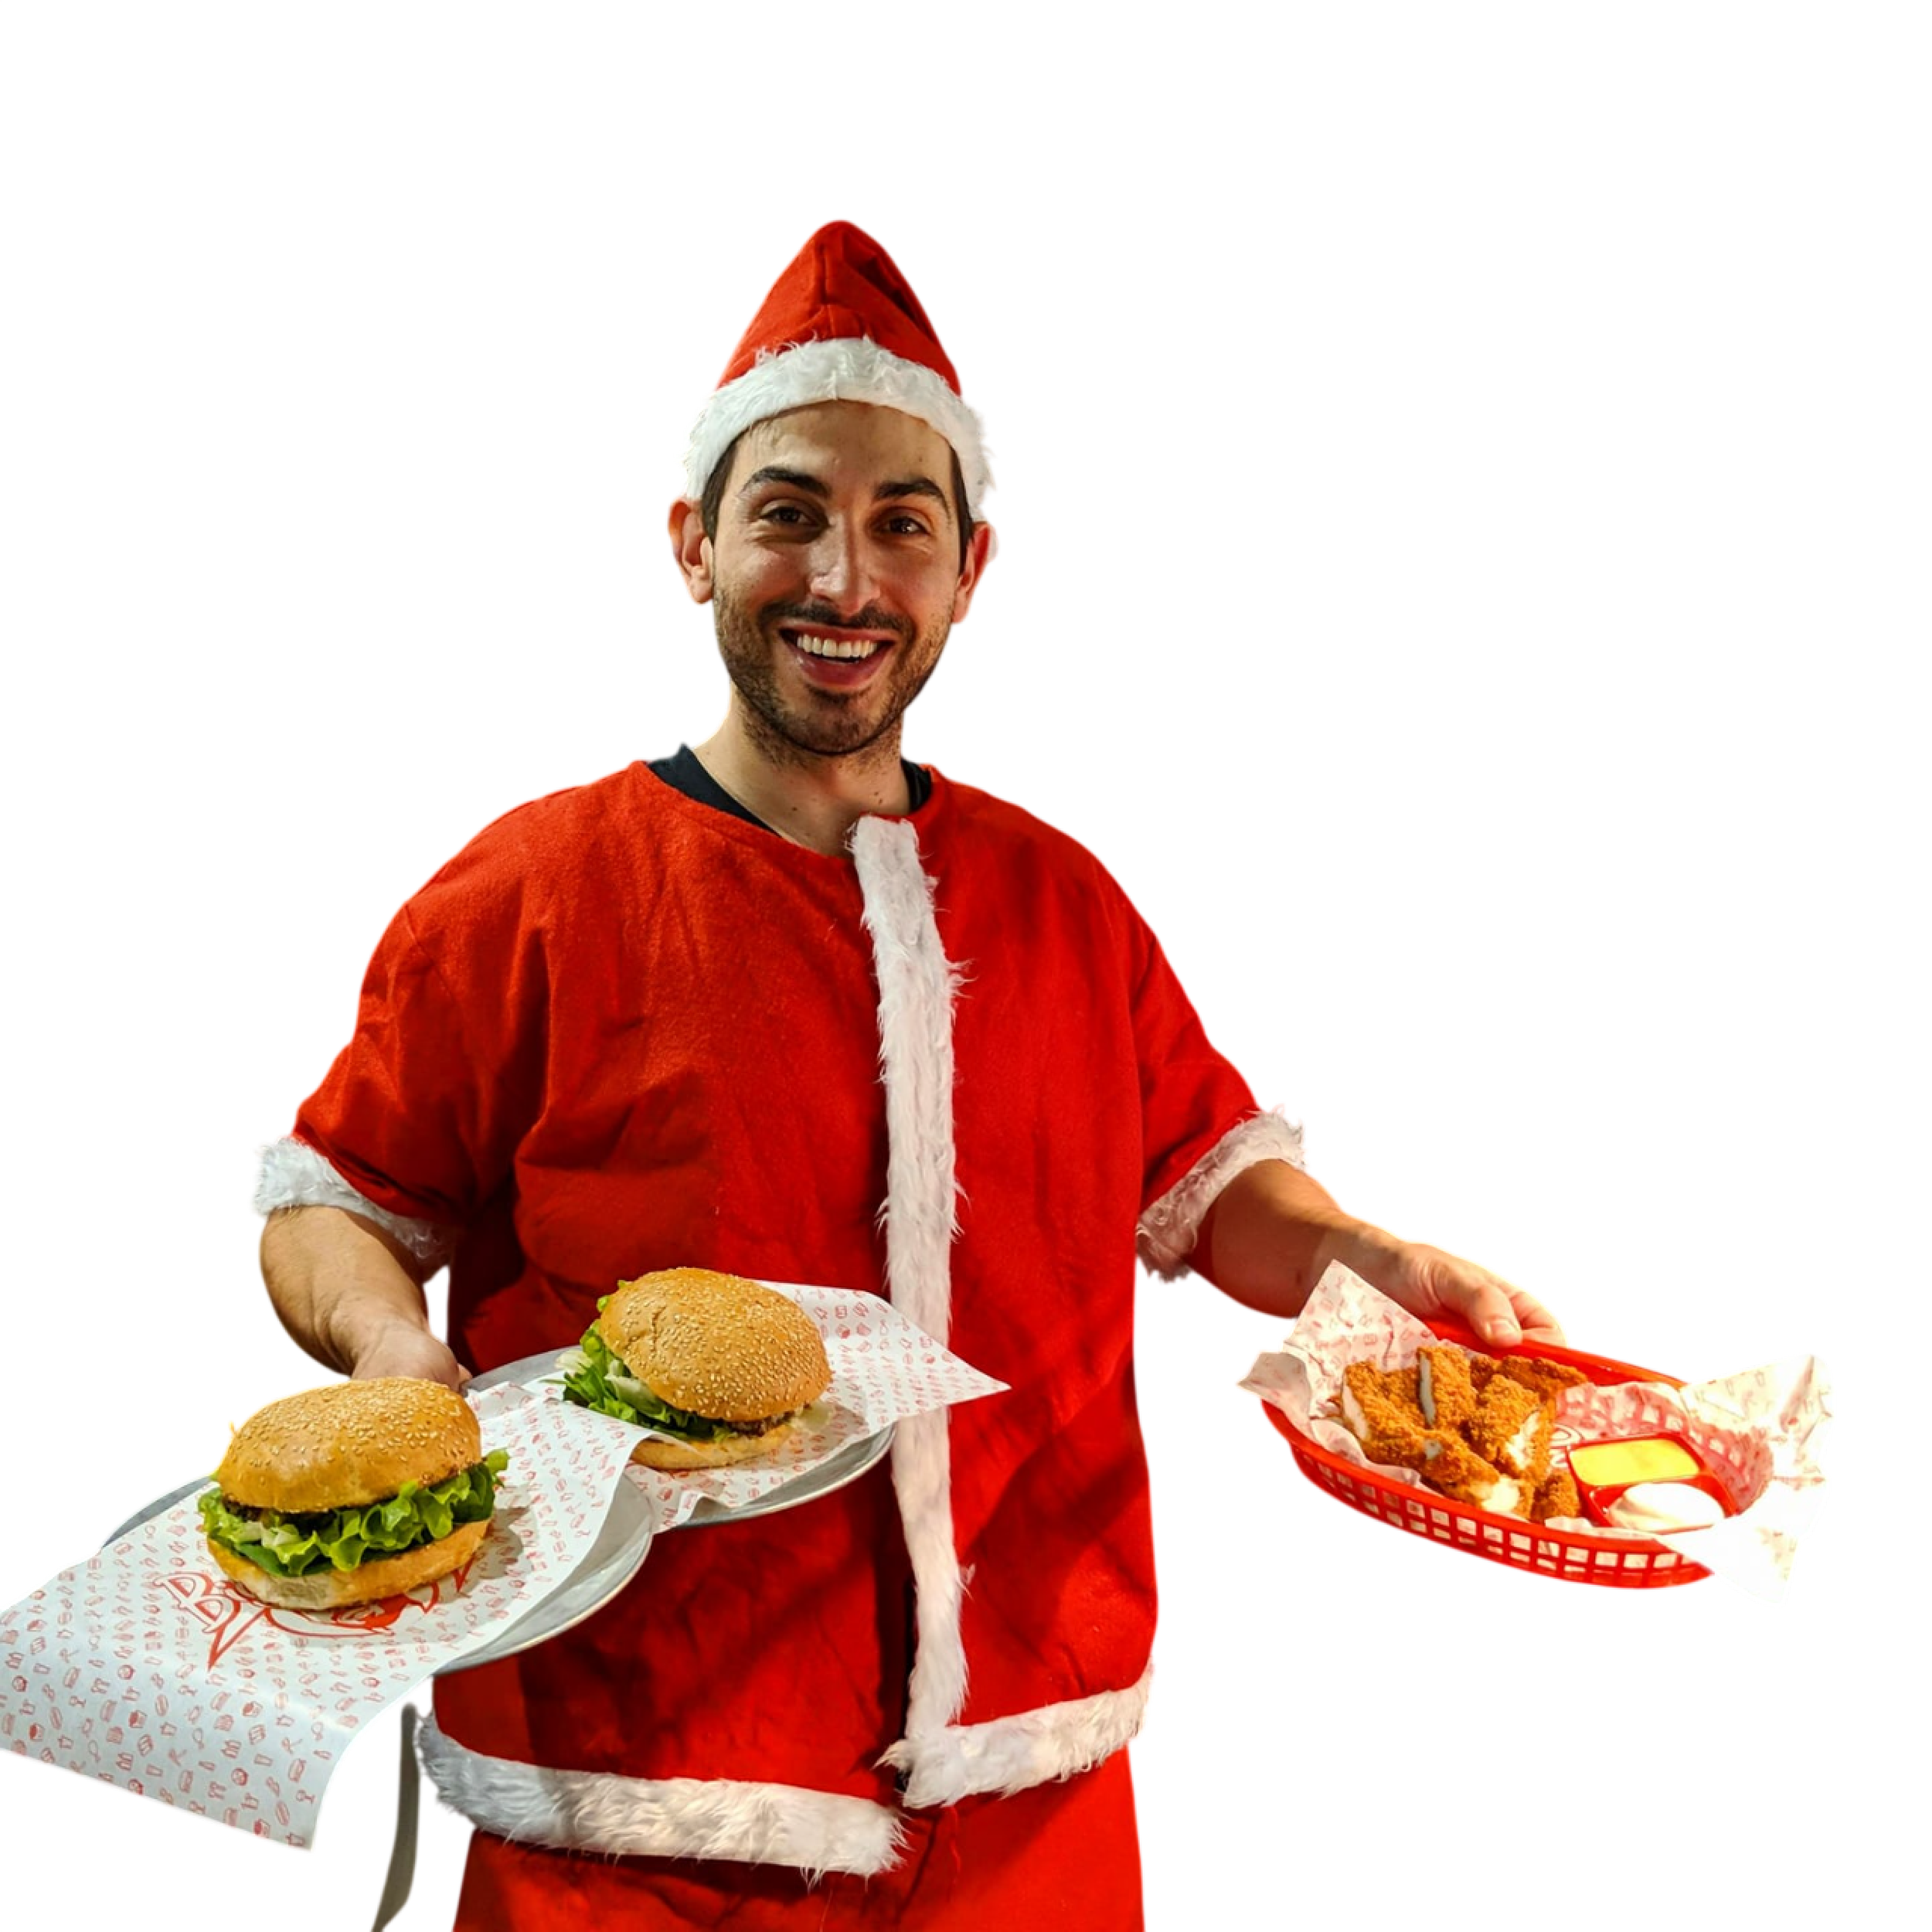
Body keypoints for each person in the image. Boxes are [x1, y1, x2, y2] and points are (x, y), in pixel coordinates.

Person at [250, 218, 1568, 1930]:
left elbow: (1214, 1192)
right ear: (691, 548)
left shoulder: (1063, 899)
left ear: (969, 567)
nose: (844, 582)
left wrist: (1371, 1259)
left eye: (901, 525)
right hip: (637, 1784)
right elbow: (326, 1201)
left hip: (1036, 1779)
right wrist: (400, 1344)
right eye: (787, 512)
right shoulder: (532, 884)